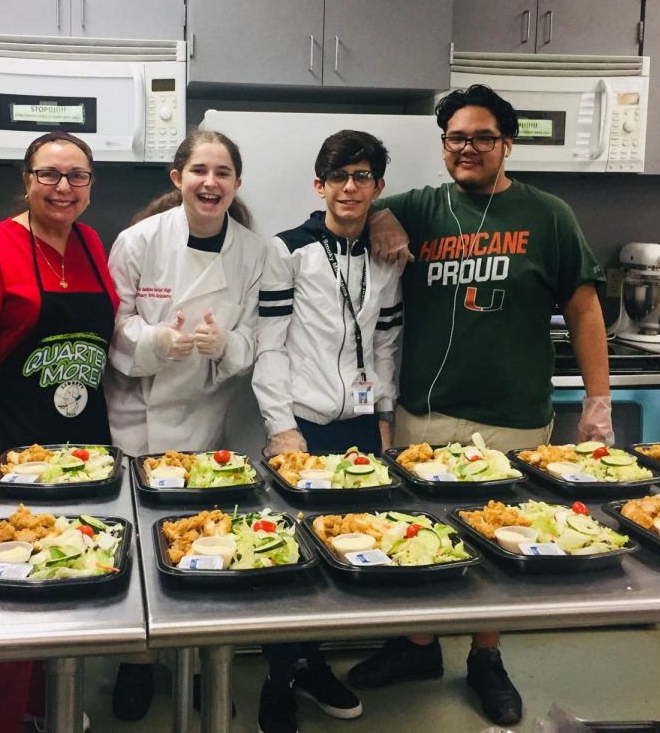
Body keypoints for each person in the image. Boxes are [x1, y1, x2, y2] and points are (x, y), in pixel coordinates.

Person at [347, 84, 613, 727]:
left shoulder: (548, 215)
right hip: (426, 411)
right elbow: (363, 210)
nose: (467, 149)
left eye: (482, 137)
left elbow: (583, 308)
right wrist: (382, 217)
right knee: (421, 532)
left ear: (507, 143)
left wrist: (597, 400)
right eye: (455, 138)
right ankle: (417, 646)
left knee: (503, 540)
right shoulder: (420, 206)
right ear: (443, 146)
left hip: (513, 413)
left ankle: (486, 658)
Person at [0, 131, 118, 733]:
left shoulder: (92, 243)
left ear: (91, 187)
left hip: (83, 449)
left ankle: (49, 702)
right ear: (27, 180)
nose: (63, 188)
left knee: (66, 572)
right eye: (49, 174)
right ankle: (6, 722)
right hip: (11, 445)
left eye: (77, 176)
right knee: (12, 588)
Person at [104, 129, 266, 721]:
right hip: (136, 419)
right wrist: (157, 341)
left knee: (196, 542)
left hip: (202, 421)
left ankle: (194, 660)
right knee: (138, 544)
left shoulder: (254, 251)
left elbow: (256, 339)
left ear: (236, 183)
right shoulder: (137, 241)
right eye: (199, 170)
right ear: (177, 178)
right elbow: (114, 324)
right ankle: (136, 662)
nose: (210, 182)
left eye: (222, 172)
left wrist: (225, 344)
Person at [253, 130, 403, 733]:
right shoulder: (287, 251)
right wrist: (282, 428)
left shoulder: (385, 254)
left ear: (377, 187)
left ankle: (313, 666)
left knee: (348, 549)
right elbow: (269, 348)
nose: (349, 187)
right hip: (304, 430)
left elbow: (387, 341)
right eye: (338, 177)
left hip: (363, 428)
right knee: (291, 559)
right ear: (320, 185)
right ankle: (278, 679)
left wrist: (385, 415)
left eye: (361, 177)